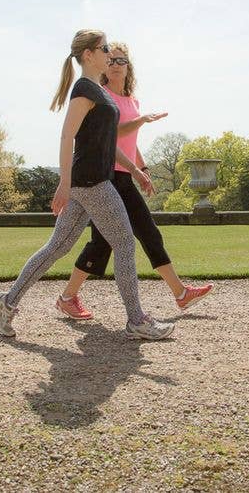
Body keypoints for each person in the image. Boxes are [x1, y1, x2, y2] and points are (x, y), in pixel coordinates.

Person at [0, 30, 174, 341]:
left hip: (86, 184)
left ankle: (6, 302)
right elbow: (66, 136)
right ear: (88, 55)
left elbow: (108, 142)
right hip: (90, 183)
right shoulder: (84, 90)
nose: (109, 55)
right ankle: (137, 320)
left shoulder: (97, 91)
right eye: (104, 49)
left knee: (57, 247)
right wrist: (64, 182)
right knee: (125, 243)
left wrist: (135, 171)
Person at [54, 42, 213, 321]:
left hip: (124, 174)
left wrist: (143, 168)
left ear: (129, 66)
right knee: (125, 236)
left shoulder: (130, 100)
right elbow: (113, 135)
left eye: (121, 60)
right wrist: (141, 121)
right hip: (107, 175)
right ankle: (178, 293)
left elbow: (130, 142)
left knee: (114, 239)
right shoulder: (100, 97)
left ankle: (69, 296)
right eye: (111, 60)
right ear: (103, 65)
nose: (115, 64)